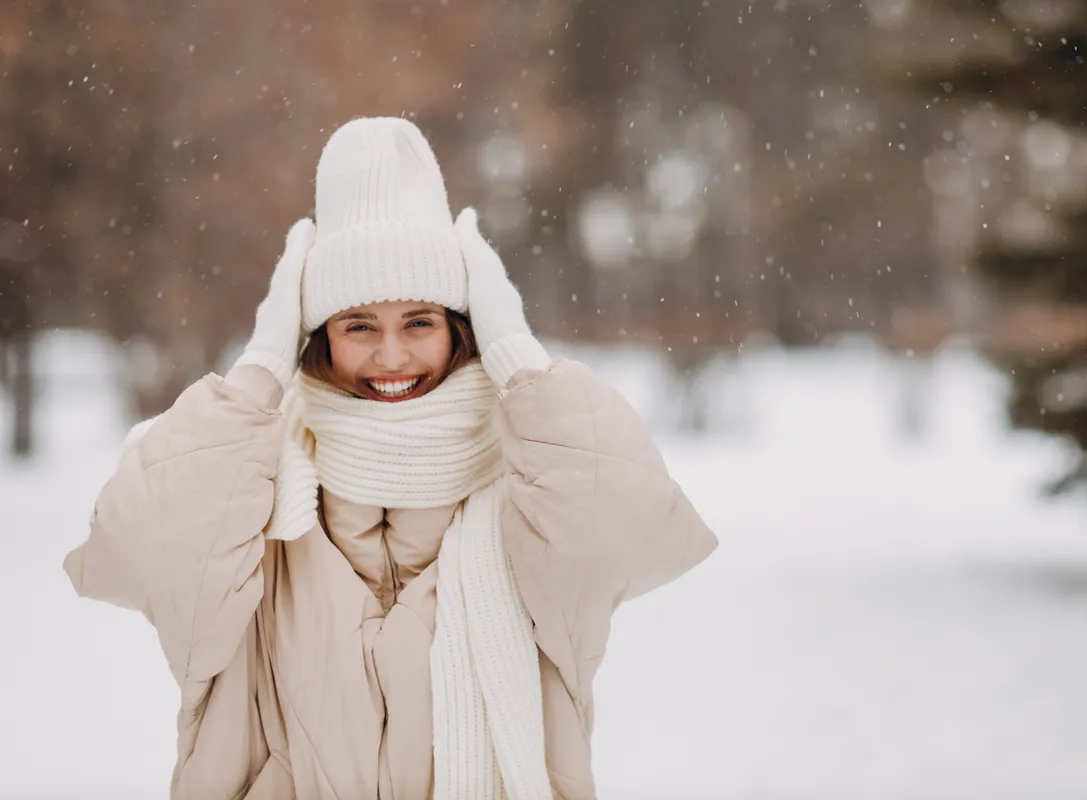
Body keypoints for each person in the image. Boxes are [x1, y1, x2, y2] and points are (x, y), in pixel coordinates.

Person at [64, 117, 717, 800]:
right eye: (358, 325)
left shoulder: (531, 484)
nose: (392, 356)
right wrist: (259, 369)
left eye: (420, 322)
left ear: (462, 329)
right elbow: (136, 553)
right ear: (318, 338)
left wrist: (520, 359)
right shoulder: (252, 488)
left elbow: (630, 532)